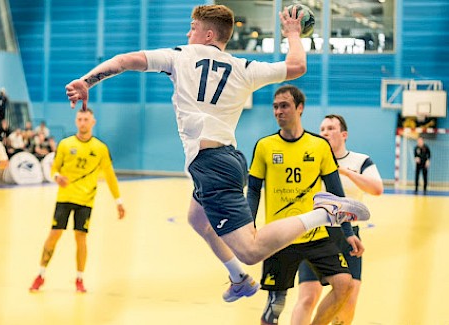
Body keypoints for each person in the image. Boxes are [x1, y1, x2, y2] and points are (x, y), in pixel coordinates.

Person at [65, 4, 370, 301]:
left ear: (209, 34)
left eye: (193, 28)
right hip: (227, 160)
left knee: (250, 250)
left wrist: (87, 80)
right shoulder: (244, 67)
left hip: (211, 164)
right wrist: (292, 33)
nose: (188, 34)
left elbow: (124, 60)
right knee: (197, 220)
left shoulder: (179, 56)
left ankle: (323, 213)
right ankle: (238, 279)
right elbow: (297, 66)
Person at [247, 86, 364, 325]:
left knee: (344, 284)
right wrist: (248, 229)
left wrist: (348, 233)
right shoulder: (264, 146)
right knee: (275, 306)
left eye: (285, 105)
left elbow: (336, 194)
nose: (279, 111)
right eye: (275, 106)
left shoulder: (319, 146)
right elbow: (253, 193)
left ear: (300, 108)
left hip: (315, 234)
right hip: (279, 238)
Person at [294, 114, 383, 325]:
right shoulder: (311, 160)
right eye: (322, 128)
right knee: (308, 295)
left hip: (349, 234)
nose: (325, 132)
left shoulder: (361, 161)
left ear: (344, 134)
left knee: (350, 297)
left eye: (331, 128)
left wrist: (345, 172)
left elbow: (377, 188)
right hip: (316, 234)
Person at [29, 109, 126, 293]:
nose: (83, 122)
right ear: (76, 121)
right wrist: (57, 177)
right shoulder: (65, 144)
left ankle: (79, 279)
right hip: (64, 198)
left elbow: (110, 176)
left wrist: (118, 201)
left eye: (86, 119)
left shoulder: (100, 148)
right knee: (54, 234)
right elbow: (54, 168)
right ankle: (40, 274)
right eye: (80, 119)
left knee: (80, 238)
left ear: (93, 122)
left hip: (86, 200)